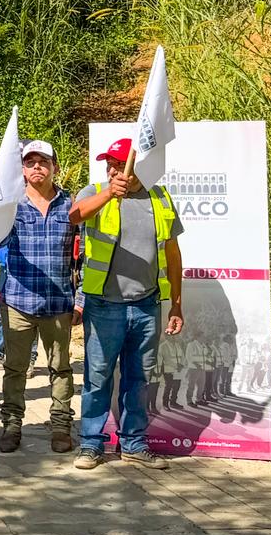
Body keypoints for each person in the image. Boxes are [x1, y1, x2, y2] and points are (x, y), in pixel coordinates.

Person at [68, 137, 184, 470]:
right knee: (98, 377)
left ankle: (133, 443)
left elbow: (173, 254)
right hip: (105, 305)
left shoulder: (159, 197)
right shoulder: (95, 192)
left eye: (121, 163)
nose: (114, 169)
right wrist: (108, 193)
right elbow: (74, 216)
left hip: (147, 305)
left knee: (138, 379)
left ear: (138, 166)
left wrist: (176, 303)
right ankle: (91, 444)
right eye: (111, 164)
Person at [0, 140, 77, 453]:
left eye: (43, 161)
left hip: (59, 304)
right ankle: (12, 426)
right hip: (19, 302)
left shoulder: (71, 205)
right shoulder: (12, 205)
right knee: (15, 369)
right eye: (30, 162)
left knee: (61, 368)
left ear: (54, 166)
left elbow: (81, 256)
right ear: (23, 170)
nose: (37, 167)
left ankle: (60, 427)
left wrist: (79, 298)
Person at [158, 330, 187, 409]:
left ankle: (173, 402)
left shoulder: (177, 345)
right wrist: (176, 365)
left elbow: (183, 356)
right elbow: (166, 359)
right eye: (171, 335)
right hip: (168, 370)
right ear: (166, 336)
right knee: (168, 387)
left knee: (177, 386)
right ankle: (165, 404)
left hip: (178, 370)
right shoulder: (163, 346)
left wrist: (182, 364)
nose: (173, 337)